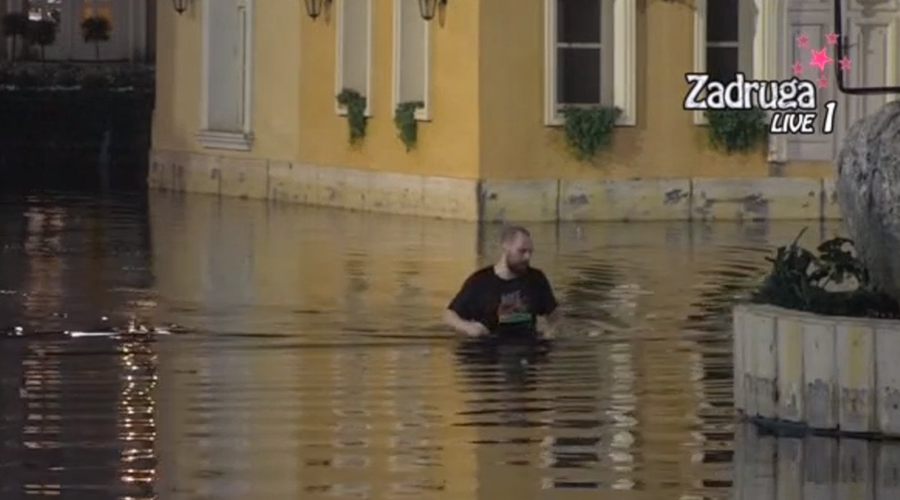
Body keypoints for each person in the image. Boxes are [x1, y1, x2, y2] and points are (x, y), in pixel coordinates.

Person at [442, 225, 561, 342]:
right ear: (505, 248)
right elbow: (450, 316)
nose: (527, 257)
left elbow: (554, 315)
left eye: (530, 252)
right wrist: (469, 328)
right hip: (489, 350)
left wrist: (550, 332)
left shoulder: (536, 279)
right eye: (522, 251)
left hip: (527, 347)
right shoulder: (480, 281)